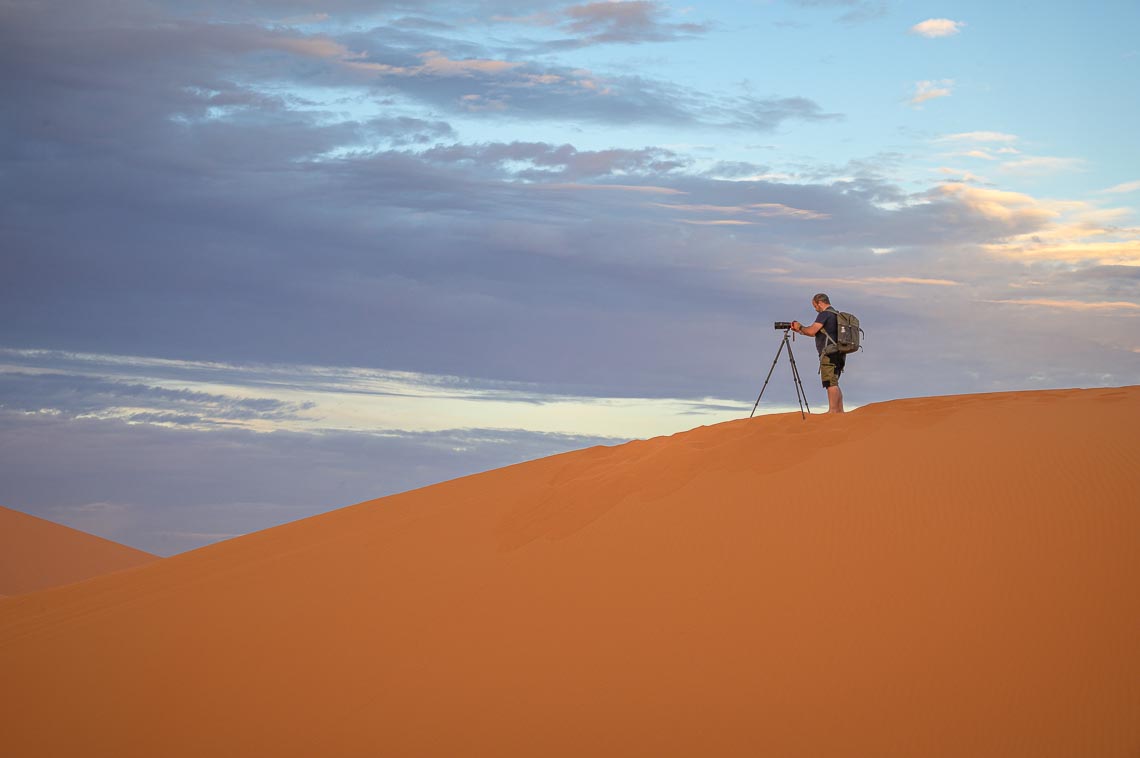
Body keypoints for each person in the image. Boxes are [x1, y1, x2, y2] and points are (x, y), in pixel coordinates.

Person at [791, 293, 845, 413]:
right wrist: (801, 331)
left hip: (829, 353)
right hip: (839, 353)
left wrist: (800, 327)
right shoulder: (836, 314)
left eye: (815, 306)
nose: (815, 309)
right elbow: (816, 333)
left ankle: (833, 411)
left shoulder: (825, 314)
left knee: (830, 382)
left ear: (820, 303)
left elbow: (812, 331)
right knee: (834, 381)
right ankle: (840, 411)